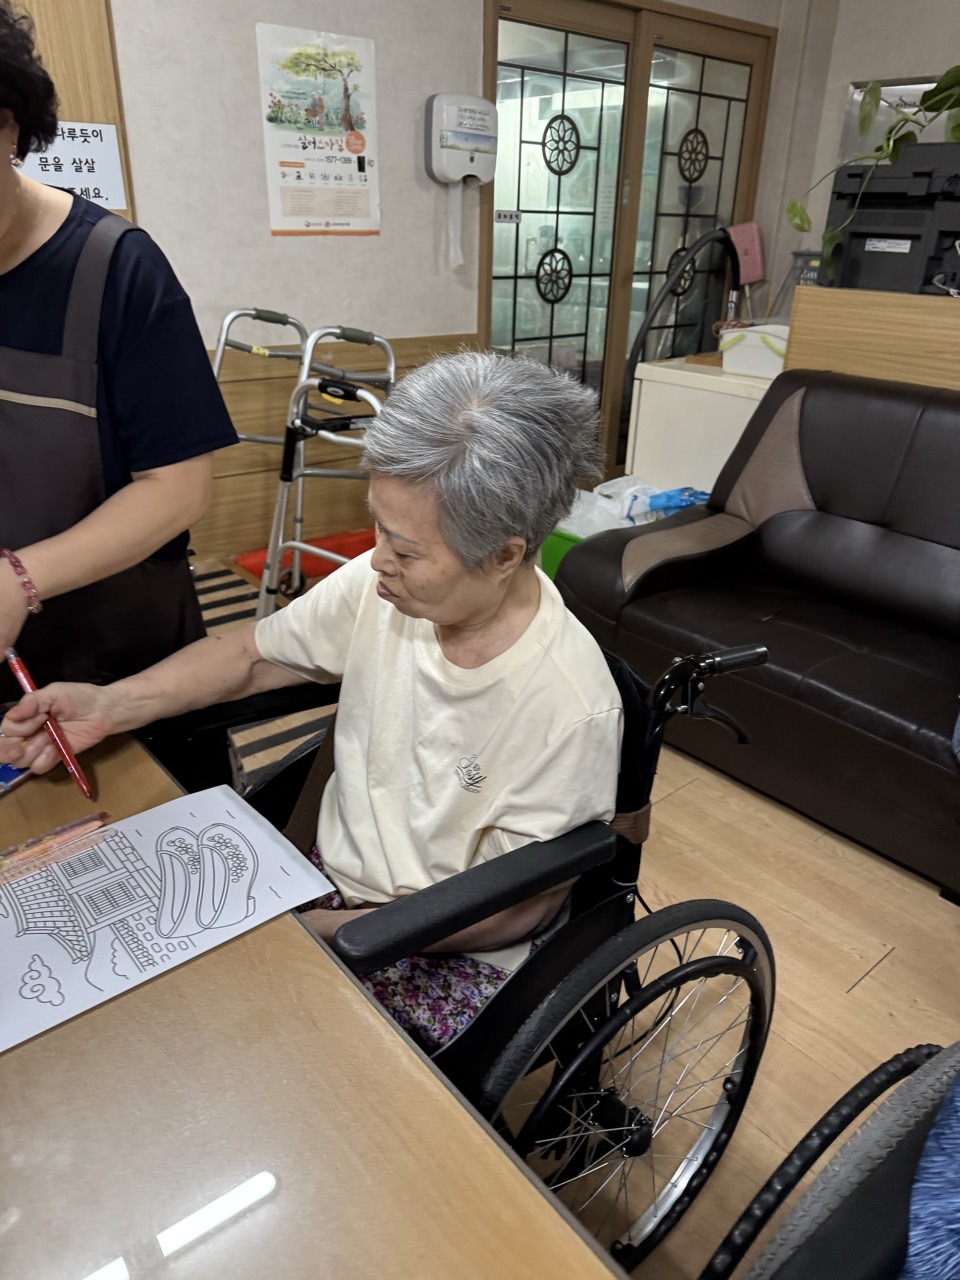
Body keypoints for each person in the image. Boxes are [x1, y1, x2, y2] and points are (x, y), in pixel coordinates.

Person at [0, 351, 623, 1051]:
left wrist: (331, 932)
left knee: (264, 1051)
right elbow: (252, 656)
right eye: (378, 528)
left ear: (505, 555)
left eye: (407, 551)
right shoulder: (380, 587)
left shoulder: (567, 704)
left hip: (447, 940)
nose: (378, 560)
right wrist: (111, 705)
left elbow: (517, 909)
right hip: (330, 881)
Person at [0, 4, 237, 702]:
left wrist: (19, 579)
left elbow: (178, 488)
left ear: (7, 126)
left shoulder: (115, 270)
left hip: (111, 655)